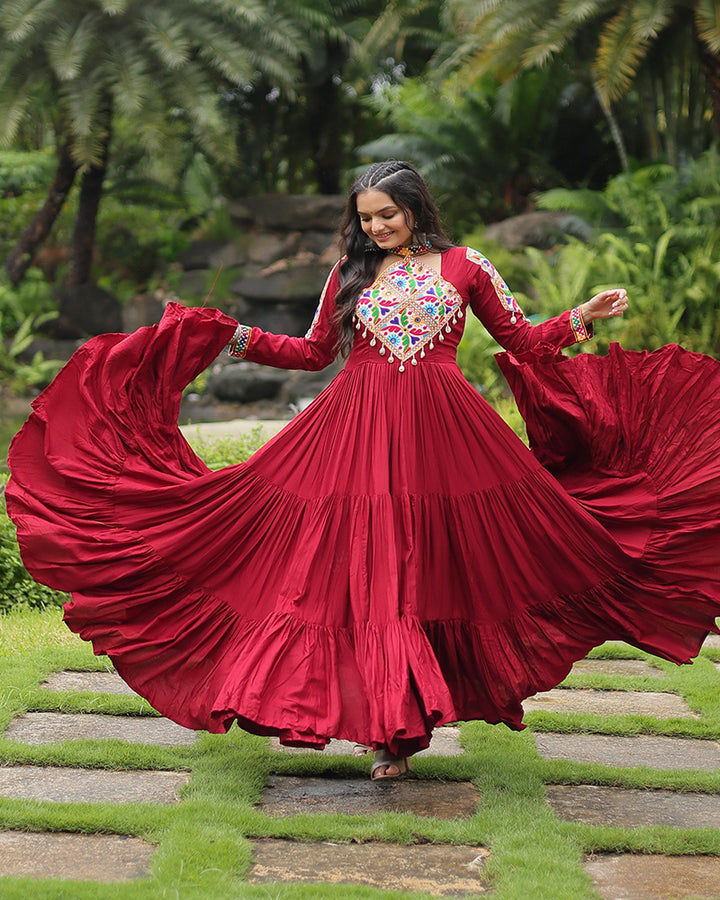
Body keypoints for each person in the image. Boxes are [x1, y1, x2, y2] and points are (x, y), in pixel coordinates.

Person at [7, 160, 720, 781]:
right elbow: (316, 352)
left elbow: (526, 343)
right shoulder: (350, 272)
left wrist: (581, 317)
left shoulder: (468, 266)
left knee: (444, 561)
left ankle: (406, 722)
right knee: (367, 566)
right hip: (354, 429)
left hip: (446, 435)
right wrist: (239, 337)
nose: (377, 228)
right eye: (367, 219)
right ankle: (391, 734)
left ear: (416, 210)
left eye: (387, 215)